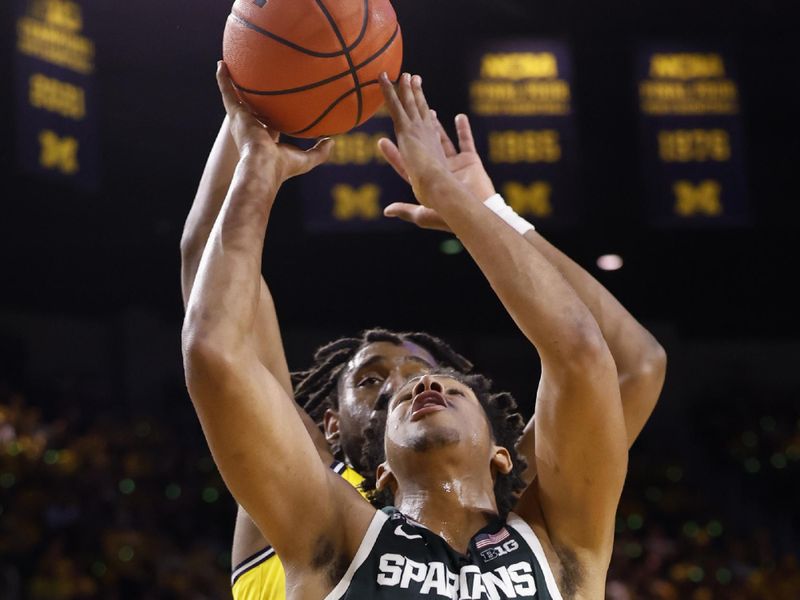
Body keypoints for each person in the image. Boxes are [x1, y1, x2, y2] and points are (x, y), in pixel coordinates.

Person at [182, 64, 662, 598]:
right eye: (371, 381)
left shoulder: (549, 532)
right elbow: (217, 340)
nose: (410, 386)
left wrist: (483, 210)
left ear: (506, 454)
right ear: (337, 428)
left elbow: (599, 357)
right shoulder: (322, 513)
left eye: (437, 377)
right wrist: (253, 159)